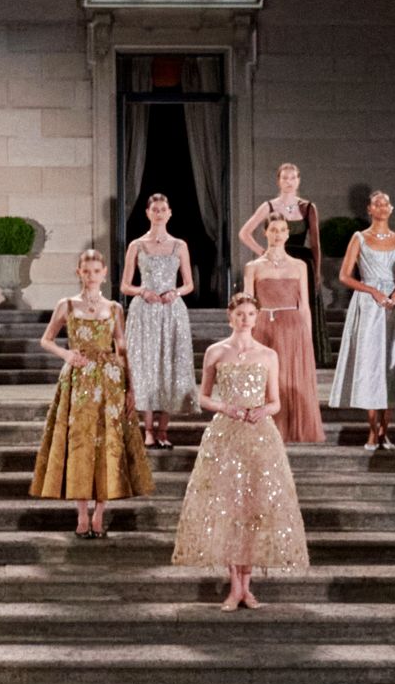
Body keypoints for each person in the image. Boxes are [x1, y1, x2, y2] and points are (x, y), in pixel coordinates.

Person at [170, 293, 308, 610]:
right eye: (240, 314)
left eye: (250, 314)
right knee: (229, 508)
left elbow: (276, 401)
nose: (245, 320)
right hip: (226, 434)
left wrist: (264, 411)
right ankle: (235, 588)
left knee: (255, 507)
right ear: (229, 316)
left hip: (260, 436)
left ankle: (247, 587)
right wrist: (226, 408)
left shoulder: (268, 355)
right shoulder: (216, 351)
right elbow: (203, 397)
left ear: (257, 318)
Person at [31, 247, 150, 537]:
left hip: (110, 381)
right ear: (79, 273)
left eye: (96, 271)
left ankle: (99, 513)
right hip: (78, 381)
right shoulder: (67, 305)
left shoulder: (114, 308)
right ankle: (82, 514)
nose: (91, 276)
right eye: (86, 271)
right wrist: (67, 354)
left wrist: (131, 388)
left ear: (104, 273)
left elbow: (122, 348)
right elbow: (46, 339)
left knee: (107, 443)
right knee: (80, 444)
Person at [330, 190, 395, 450]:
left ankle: (384, 431)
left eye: (386, 203)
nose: (382, 207)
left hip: (394, 306)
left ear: (391, 209)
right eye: (377, 204)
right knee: (371, 364)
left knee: (392, 364)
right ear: (369, 209)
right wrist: (372, 290)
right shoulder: (359, 237)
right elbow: (344, 276)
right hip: (369, 304)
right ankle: (372, 431)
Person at [121, 191, 198, 447]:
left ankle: (163, 430)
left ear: (170, 213)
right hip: (144, 311)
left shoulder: (180, 245)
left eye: (163, 209)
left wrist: (176, 292)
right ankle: (148, 430)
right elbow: (125, 285)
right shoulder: (136, 245)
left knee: (170, 365)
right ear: (147, 213)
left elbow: (189, 284)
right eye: (155, 210)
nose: (159, 213)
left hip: (171, 311)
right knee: (147, 367)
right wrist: (143, 291)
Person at [238, 216, 323, 444]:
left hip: (293, 327)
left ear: (288, 234)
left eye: (282, 230)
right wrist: (245, 337)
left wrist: (307, 337)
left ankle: (292, 429)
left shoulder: (299, 265)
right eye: (273, 230)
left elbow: (304, 305)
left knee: (290, 377)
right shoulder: (253, 267)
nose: (278, 235)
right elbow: (247, 304)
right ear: (265, 233)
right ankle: (266, 428)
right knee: (267, 378)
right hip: (264, 326)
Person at [235, 161, 325, 340]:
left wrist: (317, 272)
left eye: (293, 178)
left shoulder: (308, 207)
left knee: (304, 308)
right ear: (278, 181)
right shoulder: (269, 206)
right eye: (285, 178)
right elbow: (244, 233)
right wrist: (263, 253)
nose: (289, 182)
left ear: (298, 181)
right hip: (275, 262)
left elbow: (316, 244)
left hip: (303, 263)